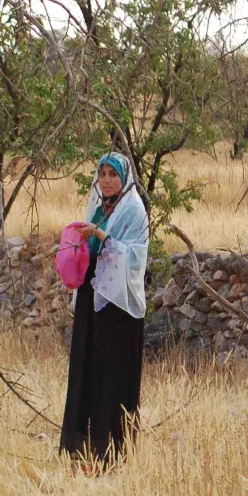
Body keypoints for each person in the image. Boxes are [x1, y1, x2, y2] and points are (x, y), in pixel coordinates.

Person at [59, 152, 149, 468]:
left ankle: (111, 449)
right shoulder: (99, 206)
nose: (108, 180)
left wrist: (99, 235)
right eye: (103, 173)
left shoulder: (134, 211)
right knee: (89, 368)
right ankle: (84, 447)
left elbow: (136, 259)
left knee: (111, 373)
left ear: (124, 178)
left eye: (114, 174)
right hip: (92, 298)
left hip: (118, 308)